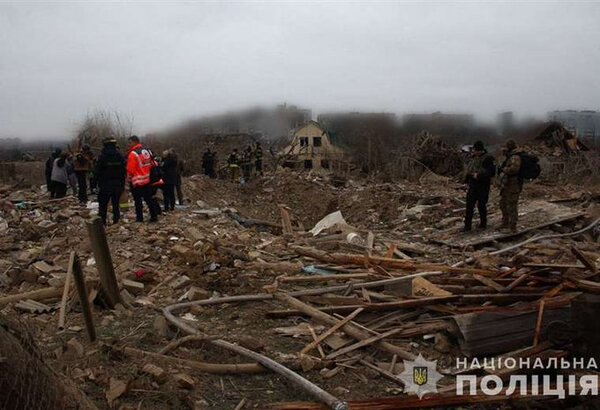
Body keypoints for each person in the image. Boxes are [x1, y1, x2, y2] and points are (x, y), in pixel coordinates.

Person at [463, 140, 496, 232]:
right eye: (474, 150)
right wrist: (467, 178)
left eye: (476, 150)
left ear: (480, 150)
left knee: (481, 205)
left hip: (483, 185)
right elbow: (469, 170)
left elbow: (491, 172)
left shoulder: (488, 159)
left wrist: (479, 175)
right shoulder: (473, 158)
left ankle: (483, 224)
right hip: (473, 185)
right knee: (469, 205)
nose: (474, 152)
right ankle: (467, 226)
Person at [126, 135, 159, 223]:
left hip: (137, 182)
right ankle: (154, 217)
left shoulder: (133, 154)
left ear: (135, 142)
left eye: (130, 142)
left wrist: (128, 179)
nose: (128, 145)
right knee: (149, 199)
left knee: (138, 201)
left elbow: (131, 170)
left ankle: (139, 219)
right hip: (147, 180)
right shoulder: (147, 151)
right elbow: (152, 164)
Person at [95, 137, 126, 225]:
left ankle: (103, 223)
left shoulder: (102, 156)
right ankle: (116, 222)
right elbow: (124, 171)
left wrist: (95, 183)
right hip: (117, 184)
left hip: (105, 184)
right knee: (116, 204)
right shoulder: (119, 156)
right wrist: (122, 184)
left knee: (103, 205)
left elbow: (97, 171)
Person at [498, 139, 523, 233]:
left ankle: (513, 226)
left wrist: (504, 169)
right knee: (503, 203)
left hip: (514, 185)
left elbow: (514, 169)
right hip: (506, 184)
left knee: (512, 205)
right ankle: (505, 222)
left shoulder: (515, 157)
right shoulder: (509, 156)